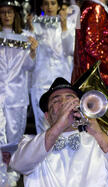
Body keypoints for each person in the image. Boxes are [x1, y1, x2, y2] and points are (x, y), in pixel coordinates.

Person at [0, 0, 38, 187]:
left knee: (14, 134)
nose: (6, 15)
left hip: (16, 94)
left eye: (10, 12)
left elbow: (29, 67)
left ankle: (13, 170)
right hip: (0, 92)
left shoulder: (25, 36)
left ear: (15, 14)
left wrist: (32, 51)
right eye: (3, 12)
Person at [29, 0, 77, 134]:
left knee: (66, 122)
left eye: (53, 3)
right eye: (46, 3)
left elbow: (70, 50)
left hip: (62, 80)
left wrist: (64, 27)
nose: (49, 7)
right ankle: (45, 155)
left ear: (59, 6)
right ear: (41, 6)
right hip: (40, 80)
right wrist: (31, 31)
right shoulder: (34, 24)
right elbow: (31, 53)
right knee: (42, 125)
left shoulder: (70, 24)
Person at [71, 0, 108, 88]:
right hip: (100, 80)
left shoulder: (91, 6)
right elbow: (92, 47)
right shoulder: (95, 8)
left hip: (95, 77)